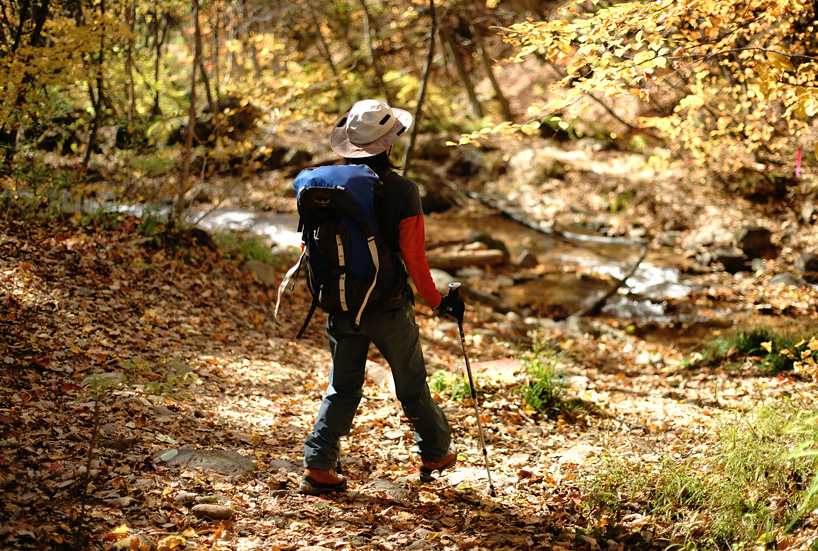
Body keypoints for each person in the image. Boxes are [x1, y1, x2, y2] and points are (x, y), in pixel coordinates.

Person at [299, 99, 466, 495]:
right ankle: (436, 452)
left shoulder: (325, 187)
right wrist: (437, 302)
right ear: (390, 144)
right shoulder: (403, 190)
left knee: (342, 387)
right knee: (411, 384)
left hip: (340, 304)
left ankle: (318, 464)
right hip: (388, 307)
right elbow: (415, 257)